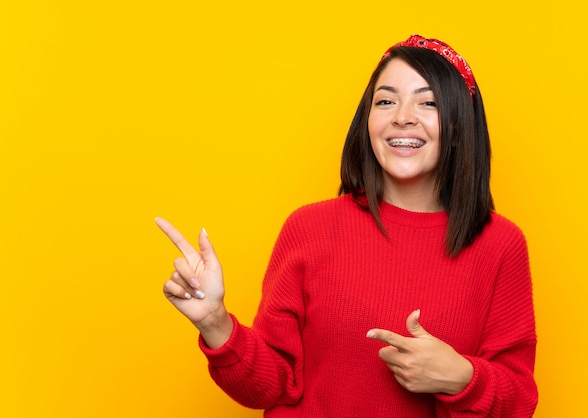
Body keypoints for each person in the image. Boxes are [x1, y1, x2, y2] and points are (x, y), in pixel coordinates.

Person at [156, 34, 538, 417]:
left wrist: (462, 378)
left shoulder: (500, 244)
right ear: (367, 122)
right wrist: (216, 323)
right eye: (386, 101)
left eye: (428, 102)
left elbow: (520, 399)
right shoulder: (309, 228)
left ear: (458, 129)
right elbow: (274, 386)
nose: (402, 116)